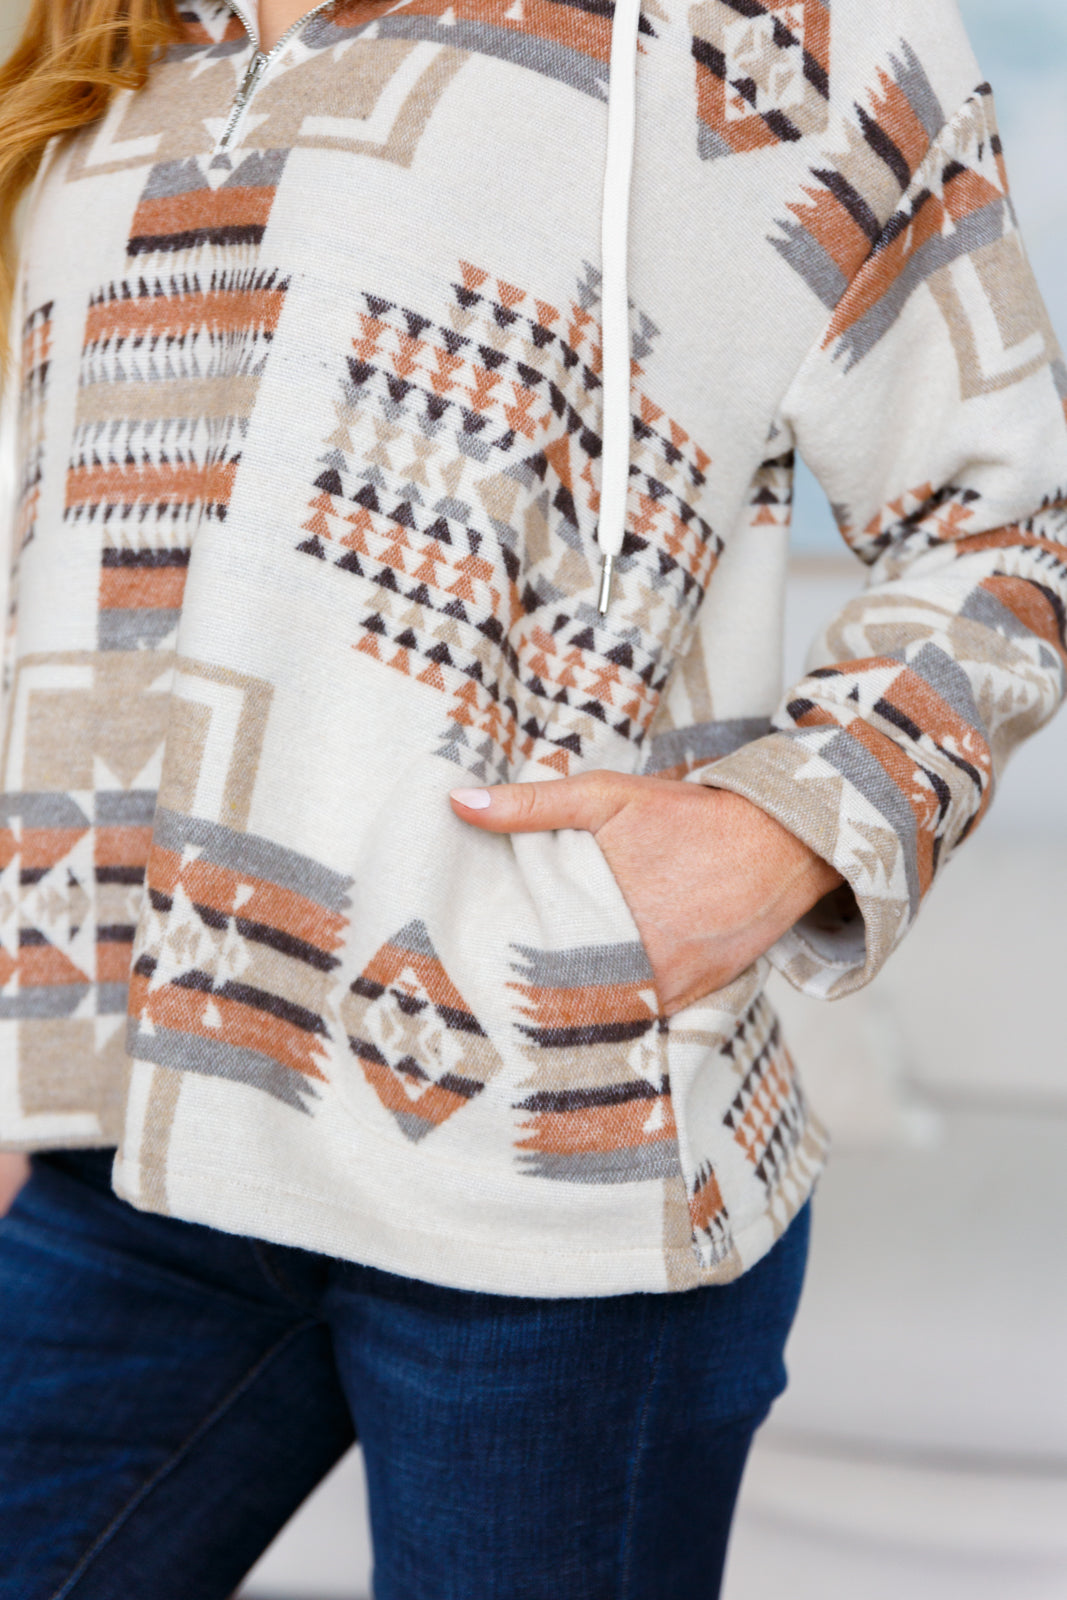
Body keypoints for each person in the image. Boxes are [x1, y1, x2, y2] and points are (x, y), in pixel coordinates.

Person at [0, 0, 1064, 1593]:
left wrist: (774, 841)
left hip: (540, 1139)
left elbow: (1014, 524)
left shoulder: (777, 33)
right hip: (133, 1126)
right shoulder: (98, 43)